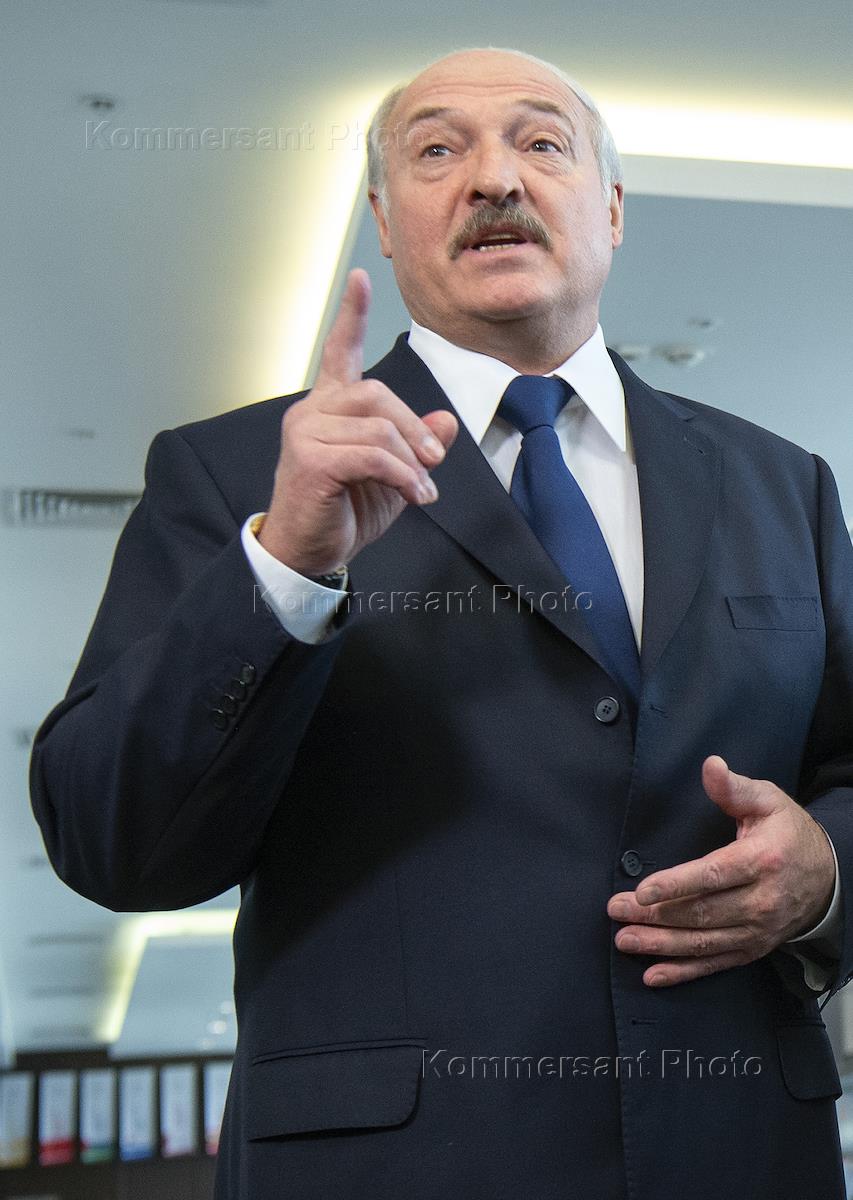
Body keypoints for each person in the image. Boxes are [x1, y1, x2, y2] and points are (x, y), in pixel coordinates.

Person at [30, 47, 853, 1200]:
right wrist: (286, 566)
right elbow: (107, 838)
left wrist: (826, 872)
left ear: (613, 208)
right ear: (382, 219)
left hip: (741, 1155)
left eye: (542, 142)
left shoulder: (784, 484)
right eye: (436, 150)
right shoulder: (237, 475)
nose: (493, 179)